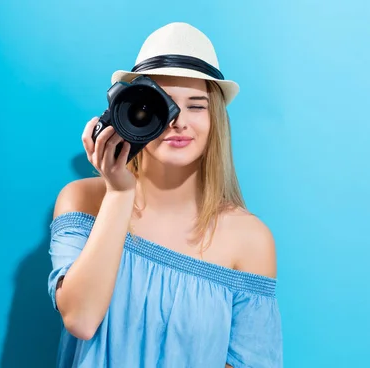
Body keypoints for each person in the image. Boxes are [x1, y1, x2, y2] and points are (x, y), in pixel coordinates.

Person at [47, 22, 283, 368]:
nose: (178, 122)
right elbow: (80, 320)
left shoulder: (250, 239)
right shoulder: (82, 200)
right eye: (163, 106)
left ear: (216, 120)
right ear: (130, 112)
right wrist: (118, 192)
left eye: (196, 106)